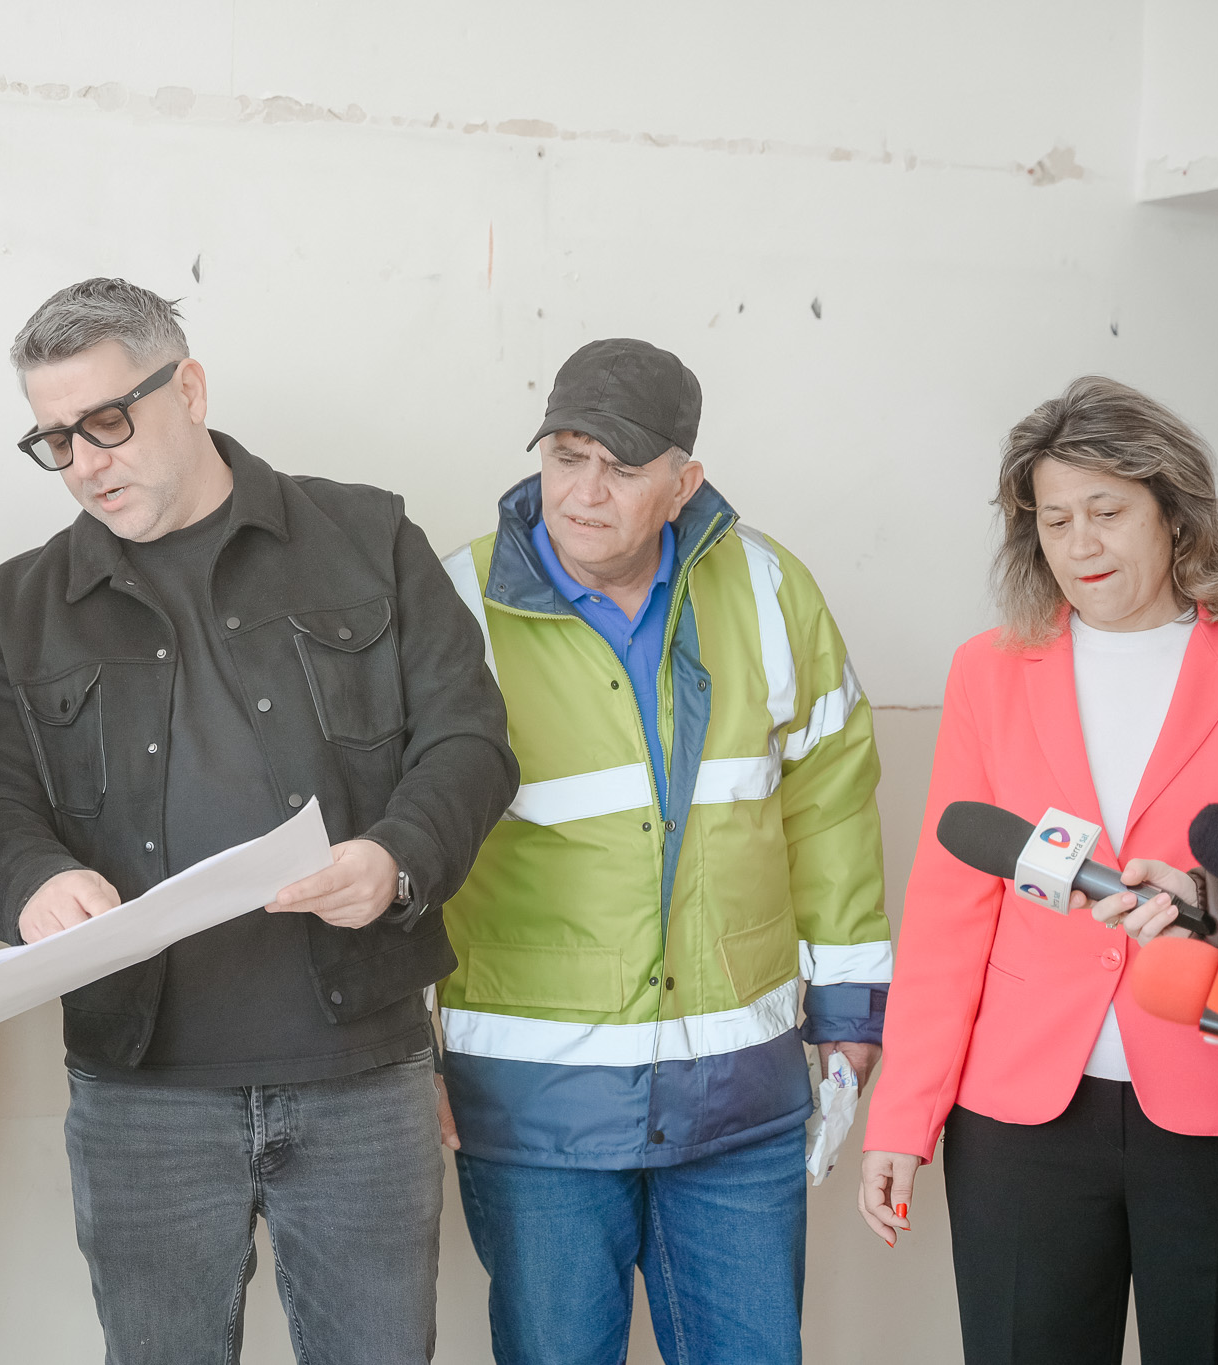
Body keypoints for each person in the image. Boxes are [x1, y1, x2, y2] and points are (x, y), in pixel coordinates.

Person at [0, 278, 516, 1365]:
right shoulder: (22, 603)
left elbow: (469, 741)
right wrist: (33, 882)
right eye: (56, 440)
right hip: (140, 1097)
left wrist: (396, 856)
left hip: (361, 1078)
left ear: (190, 389)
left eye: (105, 422)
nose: (85, 463)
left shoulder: (368, 536)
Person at [859, 376, 1218, 1364]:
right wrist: (901, 1119)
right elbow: (951, 913)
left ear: (1172, 512)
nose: (1081, 543)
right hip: (1021, 1123)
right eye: (1054, 520)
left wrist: (1209, 905)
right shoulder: (986, 671)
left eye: (1107, 511)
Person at [435, 339, 892, 1365]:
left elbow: (830, 806)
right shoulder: (454, 602)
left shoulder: (768, 588)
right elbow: (399, 842)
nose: (583, 492)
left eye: (622, 467)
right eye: (566, 456)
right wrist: (399, 1053)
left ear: (684, 483)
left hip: (738, 1102)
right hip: (536, 1109)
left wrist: (850, 1012)